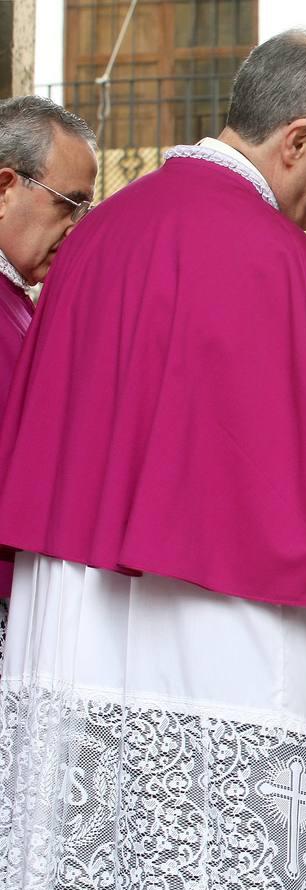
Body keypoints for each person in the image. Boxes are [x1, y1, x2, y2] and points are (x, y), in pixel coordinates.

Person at [0, 31, 306, 890]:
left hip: (73, 639)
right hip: (227, 650)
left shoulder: (93, 241)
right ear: (297, 140)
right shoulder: (284, 262)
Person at [0, 97, 97, 606]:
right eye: (67, 203)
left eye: (86, 208)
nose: (77, 226)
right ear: (4, 189)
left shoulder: (18, 299)